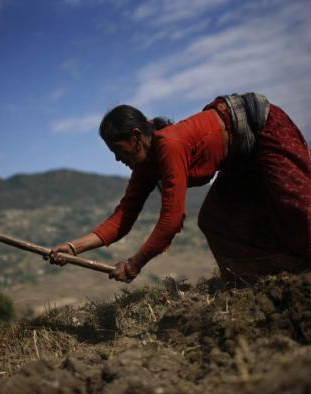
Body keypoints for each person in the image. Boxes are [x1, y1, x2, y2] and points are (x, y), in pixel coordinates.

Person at [48, 93, 311, 283]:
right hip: (240, 160)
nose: (118, 159)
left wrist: (134, 265)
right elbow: (123, 216)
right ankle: (268, 281)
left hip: (266, 128)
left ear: (137, 138)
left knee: (297, 208)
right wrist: (73, 248)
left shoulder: (169, 146)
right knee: (215, 220)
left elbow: (171, 220)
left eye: (118, 150)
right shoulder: (145, 166)